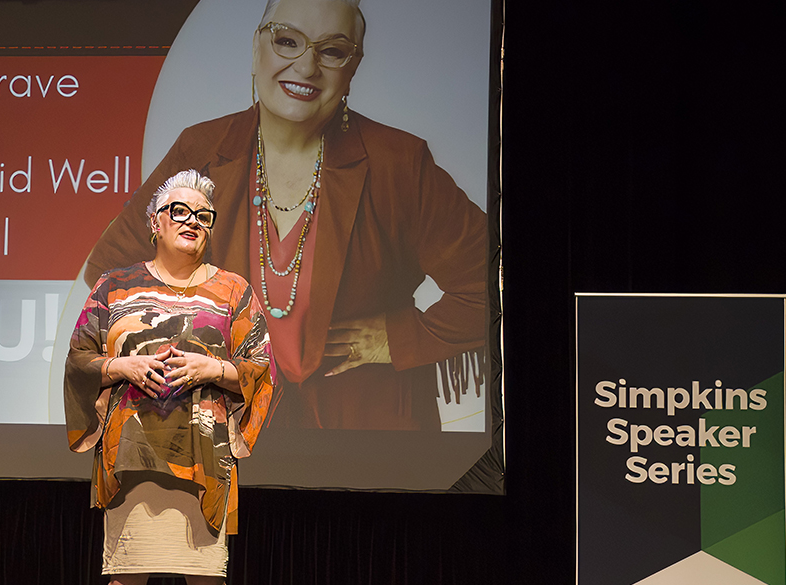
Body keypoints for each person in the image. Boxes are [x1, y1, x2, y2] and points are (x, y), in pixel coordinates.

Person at [85, 0, 487, 431]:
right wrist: (196, 339)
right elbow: (113, 274)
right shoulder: (200, 149)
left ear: (352, 68)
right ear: (257, 48)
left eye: (331, 51)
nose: (307, 66)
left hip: (372, 435)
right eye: (287, 41)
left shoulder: (400, 164)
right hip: (226, 429)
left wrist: (398, 337)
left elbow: (493, 282)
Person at [65, 169, 275, 585]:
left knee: (208, 578)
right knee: (124, 575)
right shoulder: (113, 286)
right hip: (131, 456)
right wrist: (124, 366)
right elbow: (79, 358)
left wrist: (214, 368)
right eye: (178, 211)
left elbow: (263, 368)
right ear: (154, 223)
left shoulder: (233, 289)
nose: (192, 221)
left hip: (204, 458)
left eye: (203, 215)